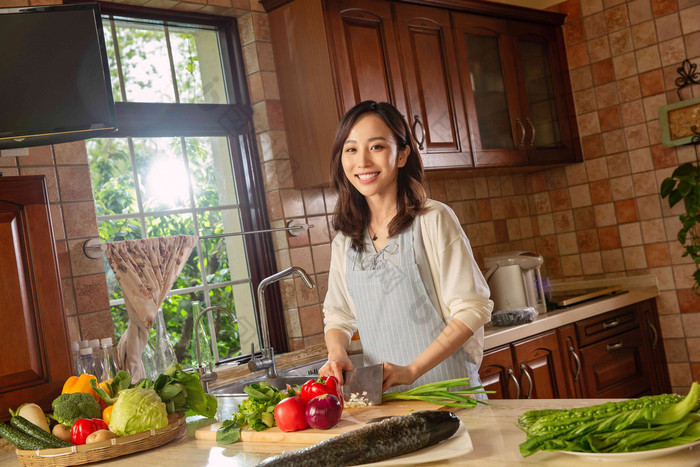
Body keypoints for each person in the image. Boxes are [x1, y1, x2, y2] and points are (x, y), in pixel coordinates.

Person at [319, 100, 493, 396]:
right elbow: (338, 315)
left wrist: (411, 371)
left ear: (401, 155)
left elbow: (472, 308)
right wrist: (337, 354)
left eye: (376, 147)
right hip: (389, 403)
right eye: (351, 149)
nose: (362, 162)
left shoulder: (433, 220)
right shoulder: (345, 242)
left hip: (451, 396)